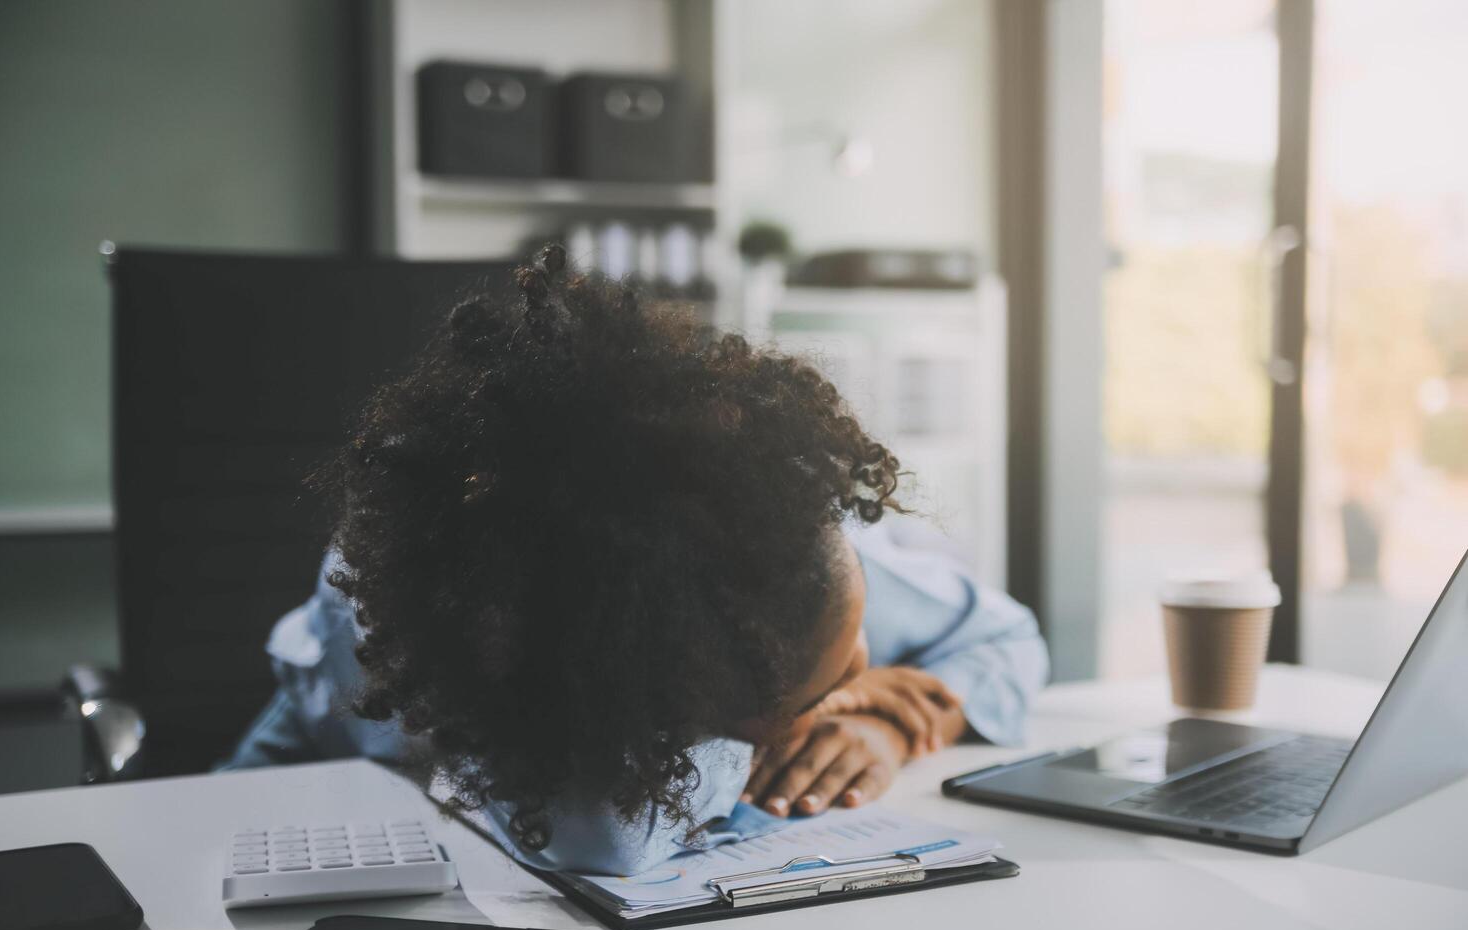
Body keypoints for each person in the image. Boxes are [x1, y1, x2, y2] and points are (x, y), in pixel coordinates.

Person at [222, 245, 1048, 876]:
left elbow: (1007, 638)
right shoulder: (468, 625)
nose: (865, 663)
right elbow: (603, 838)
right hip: (290, 809)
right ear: (659, 707)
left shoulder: (784, 561)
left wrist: (891, 718)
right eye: (817, 690)